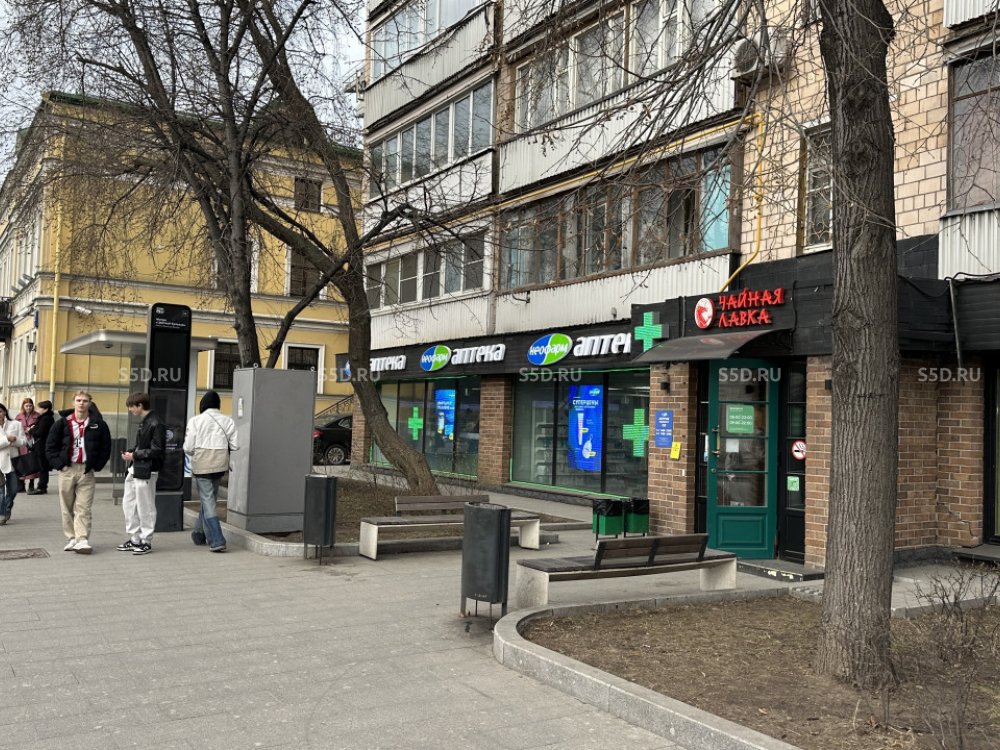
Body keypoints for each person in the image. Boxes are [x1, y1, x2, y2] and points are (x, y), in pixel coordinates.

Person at [46, 391, 113, 554]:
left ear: (90, 403)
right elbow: (50, 447)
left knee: (84, 507)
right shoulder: (62, 424)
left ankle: (82, 539)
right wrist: (60, 465)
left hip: (86, 470)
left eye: (85, 401)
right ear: (73, 402)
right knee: (67, 506)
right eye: (78, 400)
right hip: (67, 469)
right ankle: (71, 538)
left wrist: (96, 466)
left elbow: (105, 447)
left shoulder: (98, 424)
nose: (81, 403)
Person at [183, 390, 238, 552]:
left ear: (203, 405)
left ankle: (217, 540)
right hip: (220, 464)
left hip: (203, 464)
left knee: (207, 500)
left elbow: (188, 447)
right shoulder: (228, 421)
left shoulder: (195, 421)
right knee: (209, 499)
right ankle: (199, 533)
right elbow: (235, 445)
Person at [117, 393, 165, 555]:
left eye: (131, 406)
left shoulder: (155, 423)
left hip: (147, 468)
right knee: (129, 503)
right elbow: (143, 446)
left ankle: (145, 540)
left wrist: (134, 454)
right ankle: (135, 538)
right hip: (138, 467)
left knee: (145, 505)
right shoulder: (148, 421)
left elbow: (157, 450)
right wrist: (132, 453)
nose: (130, 410)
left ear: (140, 405)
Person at [0, 403, 28, 525]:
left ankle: (8, 506)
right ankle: (1, 515)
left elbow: (24, 442)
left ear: (5, 412)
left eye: (0, 411)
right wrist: (7, 439)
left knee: (13, 489)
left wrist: (14, 440)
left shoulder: (16, 424)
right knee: (0, 491)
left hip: (13, 461)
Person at [27, 401, 54, 495]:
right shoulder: (46, 418)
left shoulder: (46, 419)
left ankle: (41, 487)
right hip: (42, 445)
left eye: (41, 408)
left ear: (46, 409)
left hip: (42, 445)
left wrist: (31, 431)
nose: (39, 410)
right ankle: (42, 486)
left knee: (43, 467)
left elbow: (40, 432)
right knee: (42, 466)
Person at [15, 398, 40, 493]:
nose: (28, 408)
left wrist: (33, 429)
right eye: (26, 406)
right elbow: (15, 428)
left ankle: (31, 484)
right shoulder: (19, 416)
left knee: (32, 462)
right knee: (22, 462)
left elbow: (41, 428)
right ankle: (21, 484)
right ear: (23, 406)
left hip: (32, 442)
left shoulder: (37, 416)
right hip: (22, 442)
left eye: (30, 406)